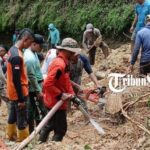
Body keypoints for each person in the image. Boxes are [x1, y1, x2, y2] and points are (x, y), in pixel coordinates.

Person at [39, 38, 80, 143]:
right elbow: (48, 83)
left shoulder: (63, 62)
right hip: (55, 102)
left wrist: (73, 96)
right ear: (68, 52)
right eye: (73, 53)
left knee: (50, 125)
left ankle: (42, 144)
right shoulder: (59, 65)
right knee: (60, 129)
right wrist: (60, 94)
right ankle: (51, 146)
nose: (75, 55)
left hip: (55, 100)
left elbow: (66, 81)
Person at [6, 28, 35, 142]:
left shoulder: (12, 50)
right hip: (19, 92)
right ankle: (24, 141)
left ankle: (11, 135)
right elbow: (17, 79)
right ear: (25, 39)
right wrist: (21, 99)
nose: (29, 46)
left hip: (12, 91)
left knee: (12, 115)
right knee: (22, 118)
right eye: (29, 43)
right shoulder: (17, 56)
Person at [24, 34, 47, 134]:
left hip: (37, 84)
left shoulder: (33, 53)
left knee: (37, 108)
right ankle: (34, 130)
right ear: (33, 44)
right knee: (35, 108)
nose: (41, 48)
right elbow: (31, 76)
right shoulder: (29, 58)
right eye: (40, 46)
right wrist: (38, 90)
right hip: (34, 87)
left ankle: (39, 129)